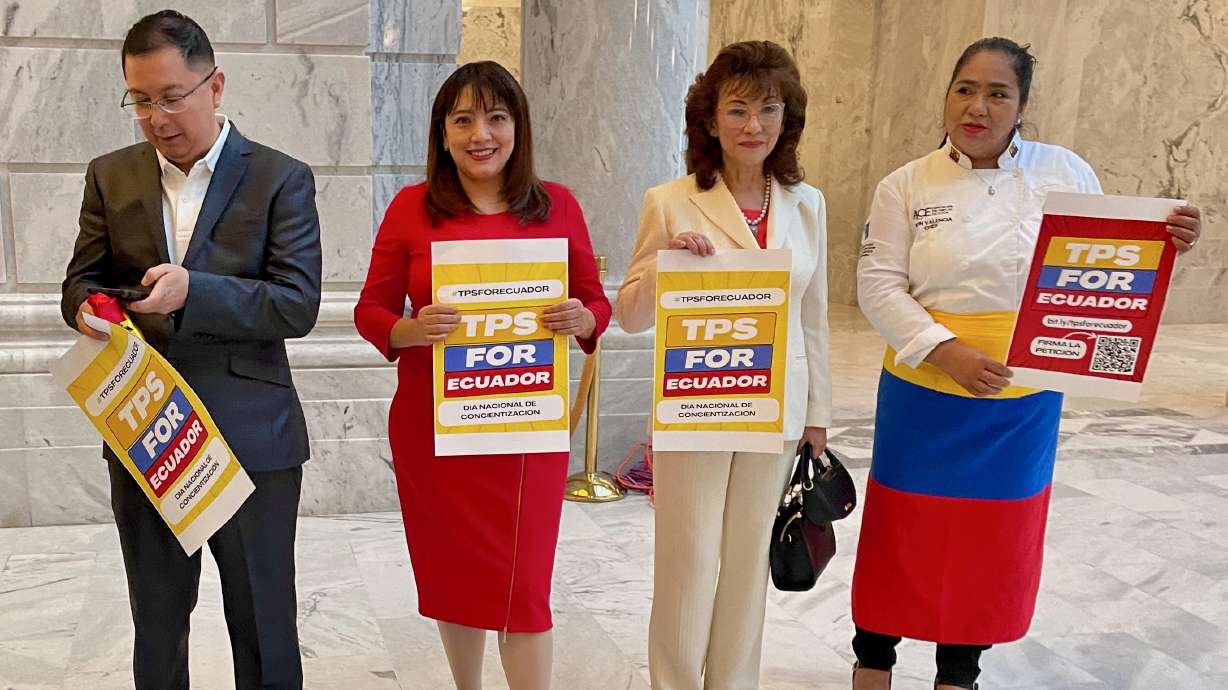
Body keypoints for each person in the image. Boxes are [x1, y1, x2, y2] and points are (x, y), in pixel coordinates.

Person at [851, 37, 1203, 690]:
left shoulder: (1065, 173)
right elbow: (877, 285)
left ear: (1022, 106)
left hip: (1022, 397)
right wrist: (946, 351)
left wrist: (1162, 246)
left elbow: (1102, 269)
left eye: (998, 94)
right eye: (965, 89)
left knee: (991, 538)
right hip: (922, 390)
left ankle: (959, 674)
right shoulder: (905, 184)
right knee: (902, 530)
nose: (977, 107)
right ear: (946, 95)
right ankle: (873, 664)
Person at [60, 10, 322, 690]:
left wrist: (194, 293)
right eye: (140, 100)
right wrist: (87, 309)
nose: (156, 117)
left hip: (252, 437)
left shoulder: (280, 177)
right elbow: (81, 281)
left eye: (172, 97)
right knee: (157, 623)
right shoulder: (110, 175)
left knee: (264, 625)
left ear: (215, 85)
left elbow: (296, 304)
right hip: (147, 433)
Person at [353, 61, 611, 690]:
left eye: (496, 118)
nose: (481, 134)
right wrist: (411, 329)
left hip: (526, 430)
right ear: (442, 134)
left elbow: (596, 303)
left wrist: (582, 317)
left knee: (525, 589)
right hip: (435, 430)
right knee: (455, 577)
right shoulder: (411, 209)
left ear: (518, 128)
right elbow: (370, 310)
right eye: (463, 120)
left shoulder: (557, 206)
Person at [616, 40, 832, 690]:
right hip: (696, 404)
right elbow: (629, 314)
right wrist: (665, 264)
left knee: (746, 562)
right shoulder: (670, 201)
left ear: (787, 119)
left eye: (769, 109)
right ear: (710, 120)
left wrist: (818, 415)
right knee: (689, 559)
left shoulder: (807, 204)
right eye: (737, 110)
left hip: (776, 406)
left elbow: (814, 315)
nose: (753, 126)